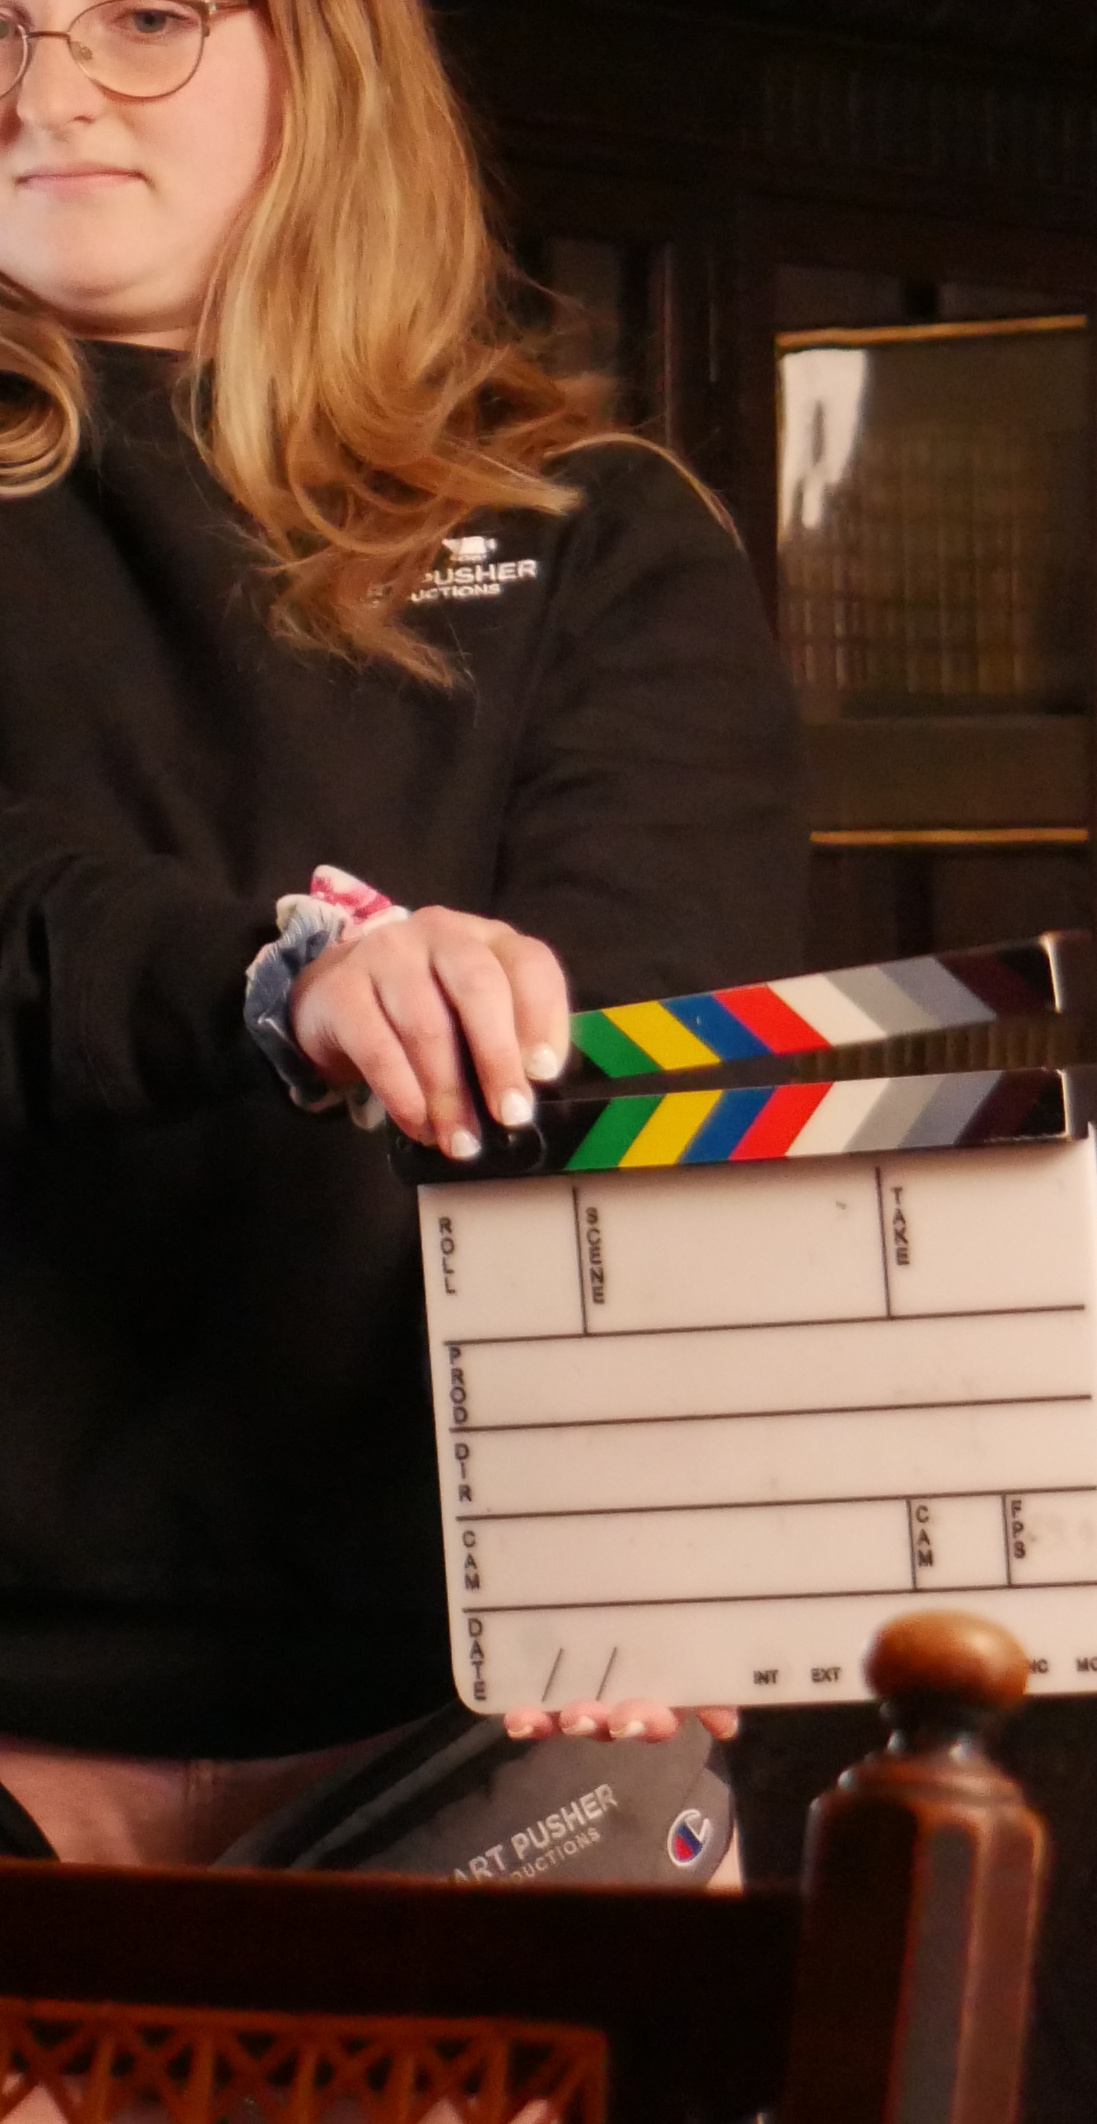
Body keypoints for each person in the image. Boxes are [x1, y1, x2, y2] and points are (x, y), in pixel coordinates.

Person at [0, 0, 801, 1868]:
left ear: (333, 57)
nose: (46, 92)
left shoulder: (599, 538)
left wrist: (647, 1531)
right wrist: (283, 983)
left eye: (143, 18)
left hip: (466, 1715)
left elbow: (658, 1071)